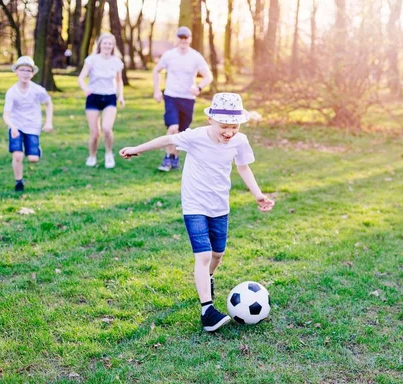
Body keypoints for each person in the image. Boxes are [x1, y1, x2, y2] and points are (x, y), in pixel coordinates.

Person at [119, 93, 275, 332]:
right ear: (211, 120)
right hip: (194, 204)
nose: (229, 132)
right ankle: (207, 311)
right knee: (202, 256)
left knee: (217, 255)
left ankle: (207, 279)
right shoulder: (195, 137)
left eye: (234, 127)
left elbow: (243, 167)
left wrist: (258, 195)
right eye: (224, 126)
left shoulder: (239, 141)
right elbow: (166, 139)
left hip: (219, 204)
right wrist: (136, 149)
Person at [152, 26, 213, 172]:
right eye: (181, 37)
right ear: (177, 38)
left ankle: (175, 157)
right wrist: (156, 90)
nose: (183, 40)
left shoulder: (196, 56)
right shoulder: (169, 55)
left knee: (181, 132)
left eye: (186, 37)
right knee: (173, 127)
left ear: (190, 39)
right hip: (171, 95)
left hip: (187, 98)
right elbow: (156, 70)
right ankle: (168, 157)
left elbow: (208, 76)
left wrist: (198, 88)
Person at [3, 56, 53, 192]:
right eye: (22, 70)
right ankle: (19, 182)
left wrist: (48, 122)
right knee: (17, 155)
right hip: (16, 127)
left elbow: (48, 103)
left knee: (33, 159)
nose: (25, 73)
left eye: (28, 70)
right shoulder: (12, 92)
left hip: (32, 126)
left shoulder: (38, 90)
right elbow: (6, 114)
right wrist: (12, 126)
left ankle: (36, 150)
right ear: (16, 72)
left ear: (32, 73)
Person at [78, 32, 125, 169]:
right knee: (95, 133)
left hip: (110, 97)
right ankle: (92, 156)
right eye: (105, 43)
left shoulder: (116, 62)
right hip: (93, 97)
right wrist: (86, 89)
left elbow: (119, 80)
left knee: (106, 128)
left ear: (113, 46)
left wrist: (120, 95)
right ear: (100, 45)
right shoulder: (91, 59)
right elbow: (81, 78)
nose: (107, 46)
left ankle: (109, 154)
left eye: (110, 43)